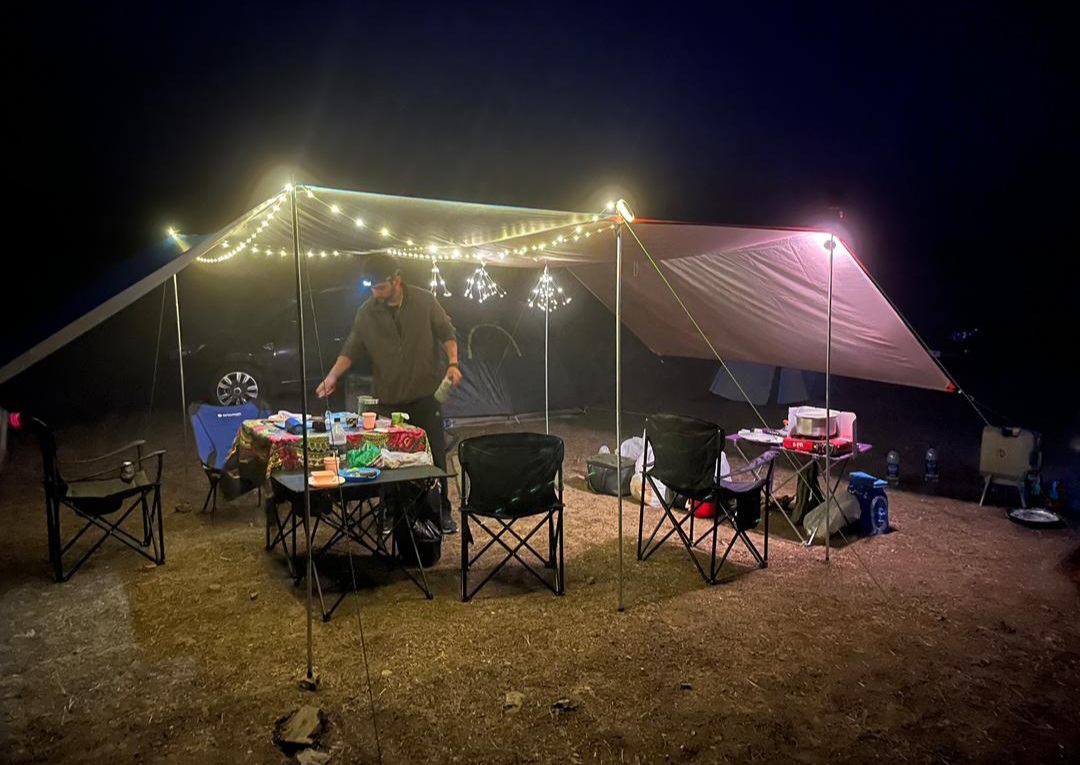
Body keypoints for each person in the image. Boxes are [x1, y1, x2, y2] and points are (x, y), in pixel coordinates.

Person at [315, 254, 462, 533]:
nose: (375, 293)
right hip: (388, 400)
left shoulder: (424, 301)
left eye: (380, 287)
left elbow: (447, 332)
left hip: (425, 397)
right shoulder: (366, 313)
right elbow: (351, 348)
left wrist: (453, 364)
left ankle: (440, 510)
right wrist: (332, 376)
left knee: (434, 455)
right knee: (388, 459)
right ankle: (391, 511)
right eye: (371, 288)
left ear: (396, 280)